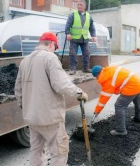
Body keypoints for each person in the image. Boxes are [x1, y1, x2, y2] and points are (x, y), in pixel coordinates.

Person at [14, 32, 88, 166]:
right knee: (59, 152)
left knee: (36, 150)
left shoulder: (25, 61)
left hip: (32, 117)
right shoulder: (50, 58)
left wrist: (25, 107)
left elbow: (18, 89)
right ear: (51, 44)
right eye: (55, 46)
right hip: (50, 117)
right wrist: (79, 93)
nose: (55, 49)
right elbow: (61, 84)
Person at [91, 65, 140, 136]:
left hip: (132, 86)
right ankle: (138, 117)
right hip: (138, 82)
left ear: (97, 76)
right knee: (136, 99)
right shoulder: (109, 70)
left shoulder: (105, 79)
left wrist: (97, 111)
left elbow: (103, 100)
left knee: (119, 105)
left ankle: (121, 130)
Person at [65, 0, 96, 75]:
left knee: (86, 53)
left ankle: (86, 68)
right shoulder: (73, 15)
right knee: (73, 54)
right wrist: (68, 34)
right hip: (74, 39)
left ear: (84, 6)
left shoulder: (89, 16)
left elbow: (92, 27)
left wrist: (93, 35)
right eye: (78, 5)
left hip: (84, 39)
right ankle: (72, 69)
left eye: (81, 5)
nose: (79, 6)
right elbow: (67, 25)